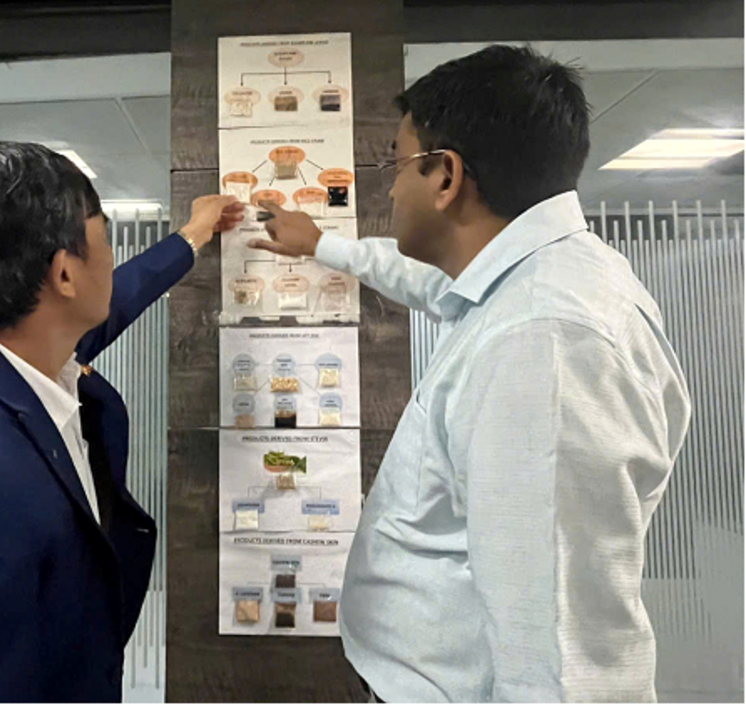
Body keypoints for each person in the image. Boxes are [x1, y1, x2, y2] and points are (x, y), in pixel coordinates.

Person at [249, 45, 691, 702]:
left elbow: (560, 658)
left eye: (398, 165)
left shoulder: (545, 341)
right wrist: (322, 245)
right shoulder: (530, 283)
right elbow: (429, 284)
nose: (389, 188)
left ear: (447, 176)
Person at [0, 141, 243, 702]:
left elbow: (109, 303)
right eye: (105, 239)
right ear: (65, 274)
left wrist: (192, 236)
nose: (112, 259)